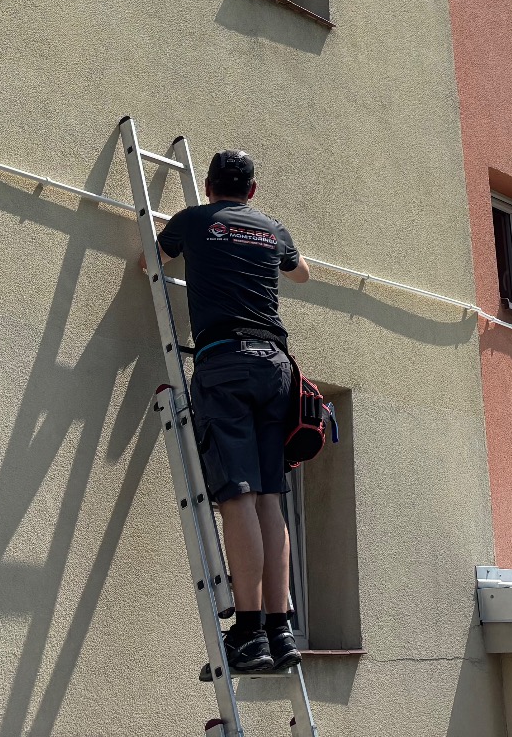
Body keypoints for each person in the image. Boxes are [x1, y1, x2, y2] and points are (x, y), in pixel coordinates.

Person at [154, 149, 310, 674]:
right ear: (253, 190)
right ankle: (280, 629)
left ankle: (248, 632)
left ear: (208, 185)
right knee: (269, 496)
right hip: (276, 368)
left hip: (225, 364)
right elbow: (302, 274)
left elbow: (150, 261)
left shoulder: (194, 220)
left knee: (237, 495)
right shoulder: (271, 227)